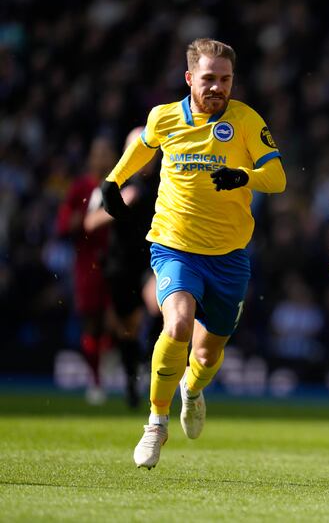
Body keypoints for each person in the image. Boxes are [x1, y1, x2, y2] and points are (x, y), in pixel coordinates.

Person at [101, 38, 286, 469]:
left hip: (229, 257)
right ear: (190, 79)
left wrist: (243, 176)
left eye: (225, 79)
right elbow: (144, 146)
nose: (218, 87)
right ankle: (155, 424)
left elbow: (276, 177)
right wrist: (112, 180)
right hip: (174, 247)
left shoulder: (245, 120)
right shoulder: (164, 117)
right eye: (209, 79)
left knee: (206, 354)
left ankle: (193, 389)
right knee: (179, 323)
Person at [84, 126, 160, 409]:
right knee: (126, 329)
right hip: (120, 264)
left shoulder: (167, 181)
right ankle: (132, 378)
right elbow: (89, 223)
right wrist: (119, 204)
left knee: (160, 304)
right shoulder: (114, 182)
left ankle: (151, 359)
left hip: (153, 260)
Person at [55, 136, 115, 405]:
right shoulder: (81, 187)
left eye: (106, 153)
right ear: (91, 157)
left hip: (116, 262)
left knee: (118, 321)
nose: (102, 158)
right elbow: (63, 226)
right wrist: (75, 222)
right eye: (98, 152)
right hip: (88, 264)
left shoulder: (121, 185)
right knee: (92, 322)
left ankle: (115, 367)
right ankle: (96, 379)